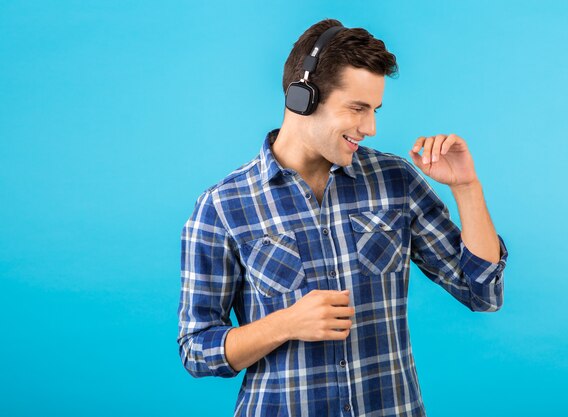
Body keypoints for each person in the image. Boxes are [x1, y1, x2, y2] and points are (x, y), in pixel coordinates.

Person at [178, 18, 508, 417]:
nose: (370, 127)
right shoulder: (222, 206)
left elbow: (482, 292)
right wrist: (285, 324)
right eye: (357, 108)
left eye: (375, 109)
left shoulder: (395, 181)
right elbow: (197, 350)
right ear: (303, 98)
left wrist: (466, 188)